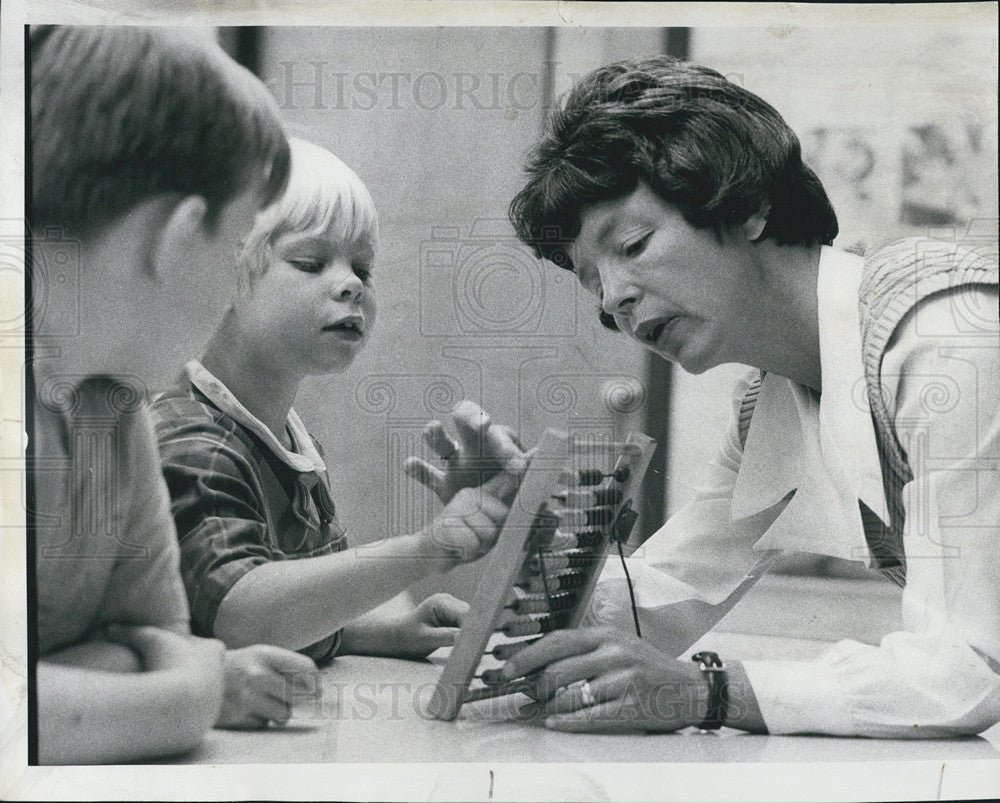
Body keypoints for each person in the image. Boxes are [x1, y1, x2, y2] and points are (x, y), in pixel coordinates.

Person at [498, 56, 999, 737]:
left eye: (633, 244)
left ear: (749, 206)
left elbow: (967, 668)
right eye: (592, 281)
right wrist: (524, 544)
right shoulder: (775, 392)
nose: (614, 298)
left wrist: (710, 690)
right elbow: (670, 592)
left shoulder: (946, 338)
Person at [30, 26, 317, 764]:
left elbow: (165, 643)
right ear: (178, 236)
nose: (232, 289)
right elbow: (178, 676)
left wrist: (94, 691)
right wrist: (183, 699)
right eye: (236, 248)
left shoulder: (117, 407)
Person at [150, 137, 523, 662]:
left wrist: (381, 632)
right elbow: (238, 619)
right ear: (219, 277)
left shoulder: (291, 440)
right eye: (309, 262)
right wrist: (424, 550)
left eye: (362, 269)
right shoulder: (193, 440)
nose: (351, 284)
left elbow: (293, 605)